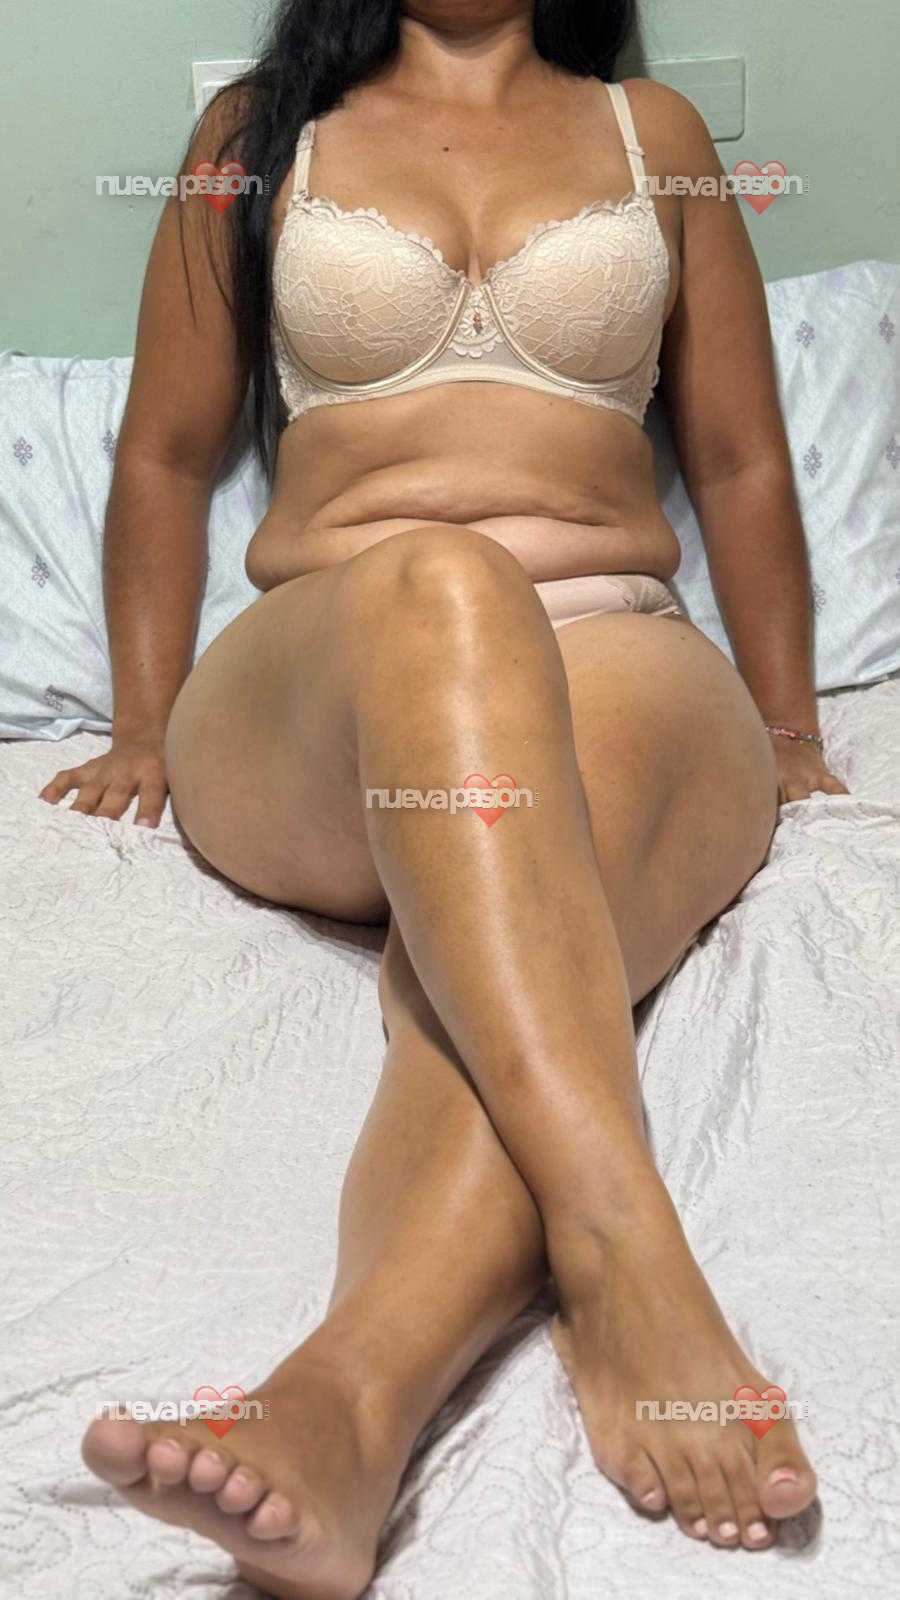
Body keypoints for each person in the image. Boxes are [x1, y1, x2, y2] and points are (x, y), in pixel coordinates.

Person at [45, 3, 842, 1595]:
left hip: (618, 649)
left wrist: (786, 720)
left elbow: (743, 460)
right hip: (335, 676)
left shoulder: (657, 140)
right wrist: (139, 723)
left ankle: (345, 1406)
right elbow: (166, 457)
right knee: (448, 584)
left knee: (517, 948)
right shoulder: (252, 139)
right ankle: (623, 1239)